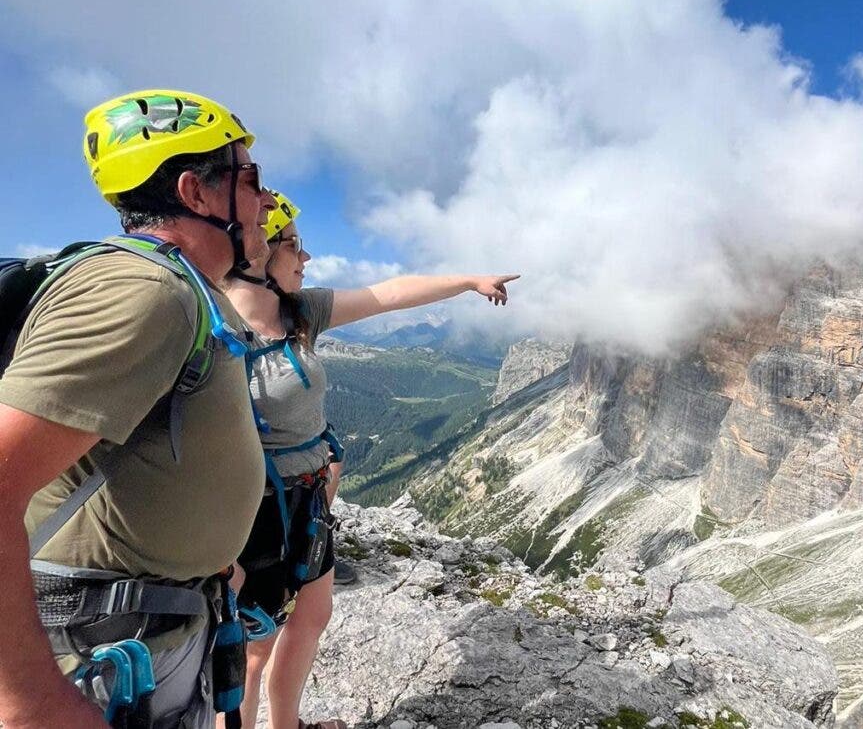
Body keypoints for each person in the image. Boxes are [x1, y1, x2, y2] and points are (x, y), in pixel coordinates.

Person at [0, 89, 275, 728]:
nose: (265, 200)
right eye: (250, 177)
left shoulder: (184, 291)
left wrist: (208, 565)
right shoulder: (144, 292)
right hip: (99, 650)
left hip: (150, 626)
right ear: (196, 192)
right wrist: (28, 699)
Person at [223, 192, 519, 729]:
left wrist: (469, 280)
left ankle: (285, 724)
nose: (305, 258)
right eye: (295, 245)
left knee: (311, 616)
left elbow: (387, 294)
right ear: (260, 252)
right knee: (252, 648)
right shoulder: (214, 328)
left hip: (308, 500)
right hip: (251, 512)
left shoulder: (300, 312)